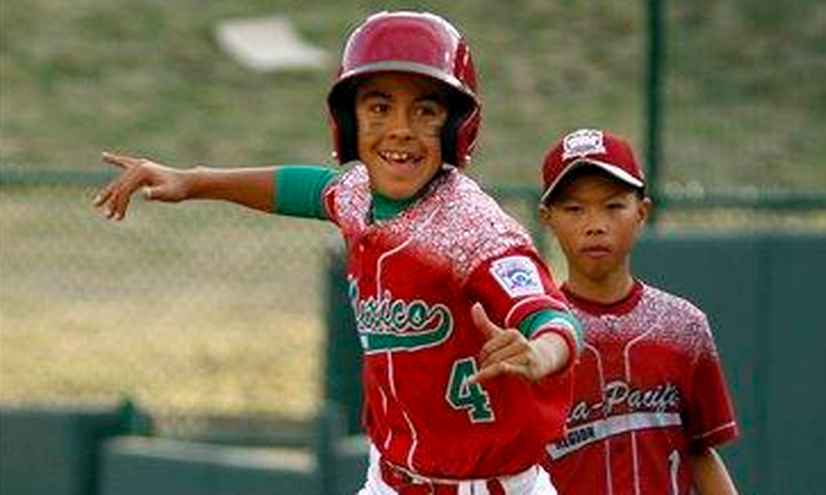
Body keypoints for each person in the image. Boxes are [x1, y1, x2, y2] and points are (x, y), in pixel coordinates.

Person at [93, 11, 583, 494]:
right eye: (378, 107)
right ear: (348, 121)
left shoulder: (471, 228)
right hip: (389, 478)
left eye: (426, 110)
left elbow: (554, 318)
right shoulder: (360, 195)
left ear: (458, 126)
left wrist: (540, 352)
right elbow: (306, 189)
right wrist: (194, 181)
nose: (400, 129)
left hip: (487, 487)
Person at [536, 128, 740, 495]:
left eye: (613, 205)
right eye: (574, 208)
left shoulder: (682, 326)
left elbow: (699, 450)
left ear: (642, 212)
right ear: (547, 217)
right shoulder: (537, 338)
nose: (595, 225)